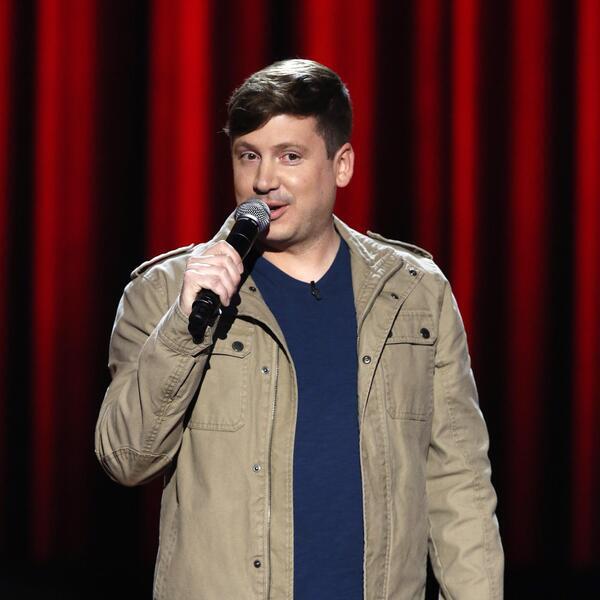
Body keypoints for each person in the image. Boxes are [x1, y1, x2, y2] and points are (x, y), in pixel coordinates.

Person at [95, 58, 503, 600]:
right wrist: (184, 326)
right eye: (249, 155)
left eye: (290, 156)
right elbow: (126, 459)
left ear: (341, 165)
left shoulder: (415, 293)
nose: (264, 180)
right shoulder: (166, 292)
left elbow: (459, 484)